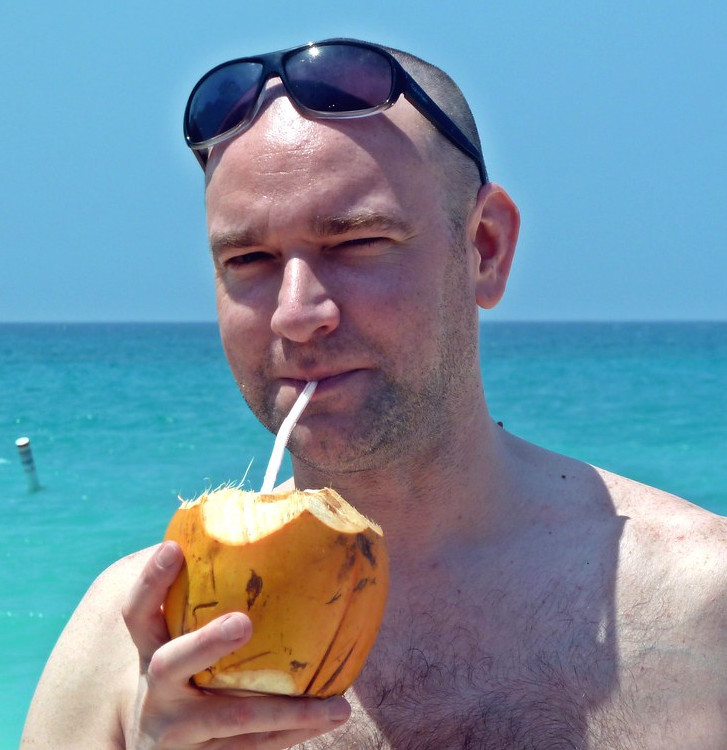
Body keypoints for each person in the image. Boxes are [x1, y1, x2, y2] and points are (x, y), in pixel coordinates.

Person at [21, 38, 727, 750]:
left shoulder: (702, 603)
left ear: (483, 248)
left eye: (356, 243)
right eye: (249, 259)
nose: (296, 314)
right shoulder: (131, 640)